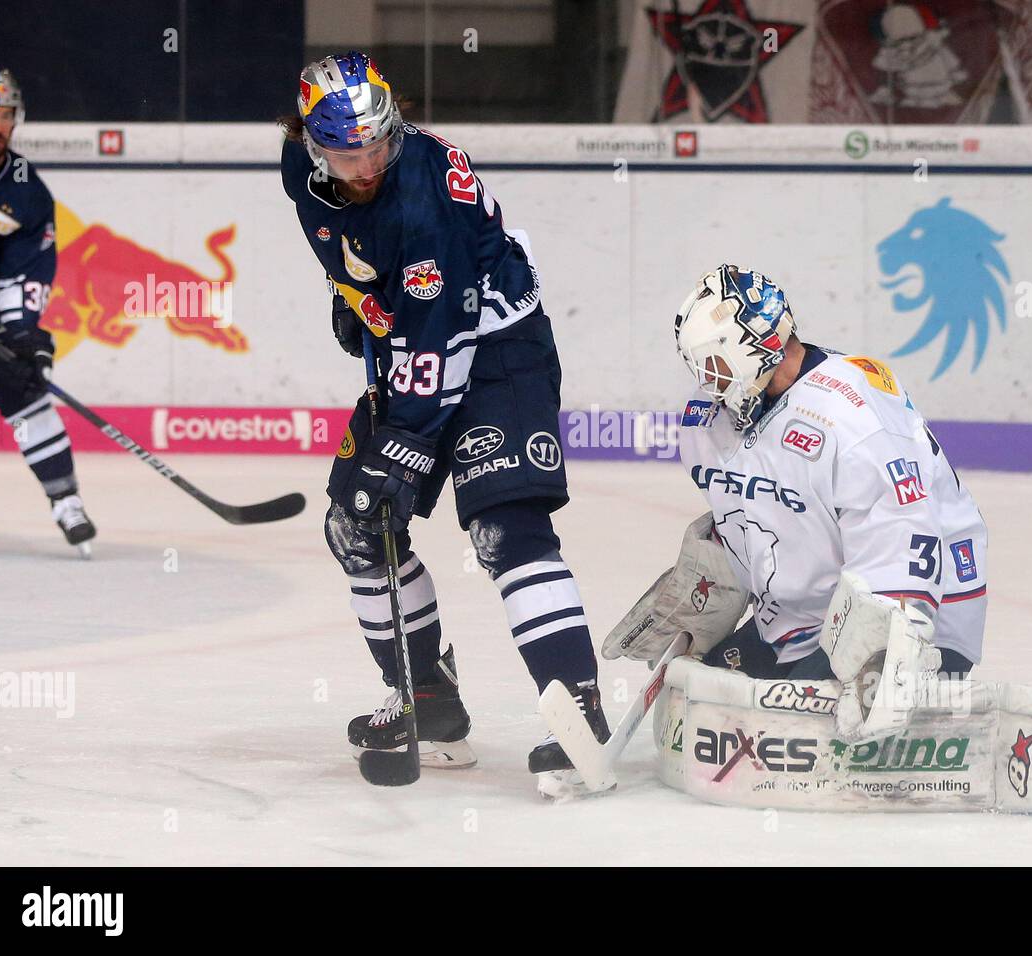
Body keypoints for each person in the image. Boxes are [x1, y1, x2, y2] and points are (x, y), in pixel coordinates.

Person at [278, 52, 607, 791]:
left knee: (505, 531)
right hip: (416, 343)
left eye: (377, 143)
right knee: (357, 526)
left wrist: (405, 449)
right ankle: (428, 698)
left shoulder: (423, 195)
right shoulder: (299, 167)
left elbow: (444, 335)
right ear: (309, 142)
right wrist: (356, 295)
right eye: (346, 150)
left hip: (496, 351)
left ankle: (578, 707)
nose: (366, 162)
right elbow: (345, 245)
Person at [657, 263, 987, 682]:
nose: (710, 382)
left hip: (919, 620)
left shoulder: (853, 418)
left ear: (756, 348)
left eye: (716, 364)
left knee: (779, 715)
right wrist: (711, 583)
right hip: (806, 626)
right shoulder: (712, 422)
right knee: (699, 684)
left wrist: (889, 655)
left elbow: (902, 537)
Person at [0, 66, 94, 555]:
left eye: (5, 115)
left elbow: (26, 270)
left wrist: (23, 334)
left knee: (22, 385)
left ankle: (66, 501)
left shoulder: (23, 187)